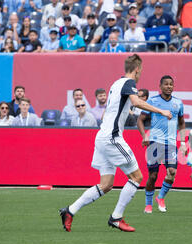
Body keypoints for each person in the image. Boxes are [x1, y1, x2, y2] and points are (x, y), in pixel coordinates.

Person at [59, 54, 173, 233]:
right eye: (141, 70)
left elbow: (113, 111)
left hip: (102, 136)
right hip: (112, 138)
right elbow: (136, 102)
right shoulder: (129, 84)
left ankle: (69, 211)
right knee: (137, 177)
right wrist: (161, 111)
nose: (140, 73)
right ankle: (116, 218)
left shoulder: (115, 84)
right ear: (137, 69)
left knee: (106, 185)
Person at [136, 75, 187, 214]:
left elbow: (181, 123)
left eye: (171, 84)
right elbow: (140, 120)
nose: (169, 86)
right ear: (160, 86)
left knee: (172, 172)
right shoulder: (152, 101)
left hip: (170, 144)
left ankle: (161, 197)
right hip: (154, 142)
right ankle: (148, 204)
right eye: (166, 84)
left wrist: (182, 142)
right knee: (153, 176)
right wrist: (144, 136)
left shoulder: (178, 103)